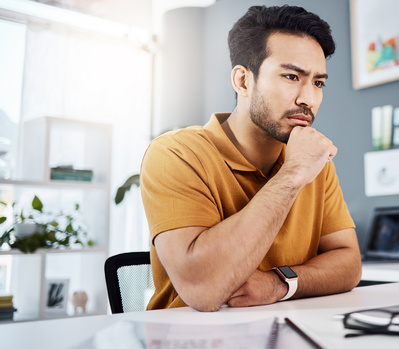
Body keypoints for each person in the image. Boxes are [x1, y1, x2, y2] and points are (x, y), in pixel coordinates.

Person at [140, 5, 362, 312]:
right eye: (290, 76)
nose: (308, 99)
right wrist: (293, 173)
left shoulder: (314, 162)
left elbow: (349, 263)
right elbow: (204, 289)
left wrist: (279, 284)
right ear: (243, 81)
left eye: (318, 83)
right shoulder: (176, 153)